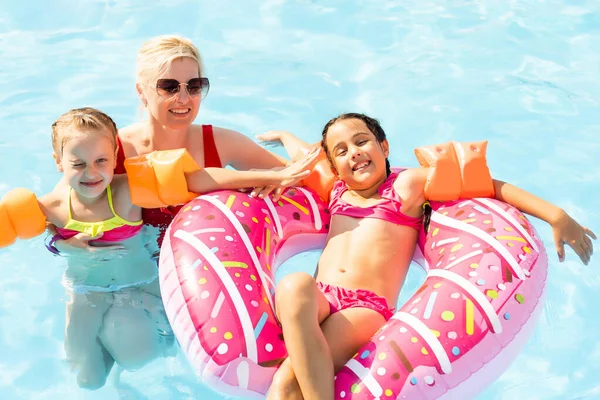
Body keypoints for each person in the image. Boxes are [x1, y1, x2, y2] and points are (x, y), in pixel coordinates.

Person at [258, 113, 596, 400]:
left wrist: (556, 215)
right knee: (292, 286)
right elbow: (307, 156)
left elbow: (489, 185)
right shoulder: (336, 190)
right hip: (321, 297)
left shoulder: (407, 185)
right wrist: (286, 136)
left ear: (384, 147)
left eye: (362, 142)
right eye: (342, 151)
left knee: (287, 383)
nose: (355, 154)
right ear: (335, 166)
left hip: (364, 307)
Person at [42, 107, 318, 390]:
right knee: (87, 380)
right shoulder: (49, 207)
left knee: (137, 358)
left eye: (101, 160)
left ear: (116, 156)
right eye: (78, 164)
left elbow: (198, 179)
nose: (91, 173)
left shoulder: (129, 190)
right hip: (86, 290)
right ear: (59, 162)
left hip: (139, 284)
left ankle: (136, 355)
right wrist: (57, 244)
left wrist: (270, 177)